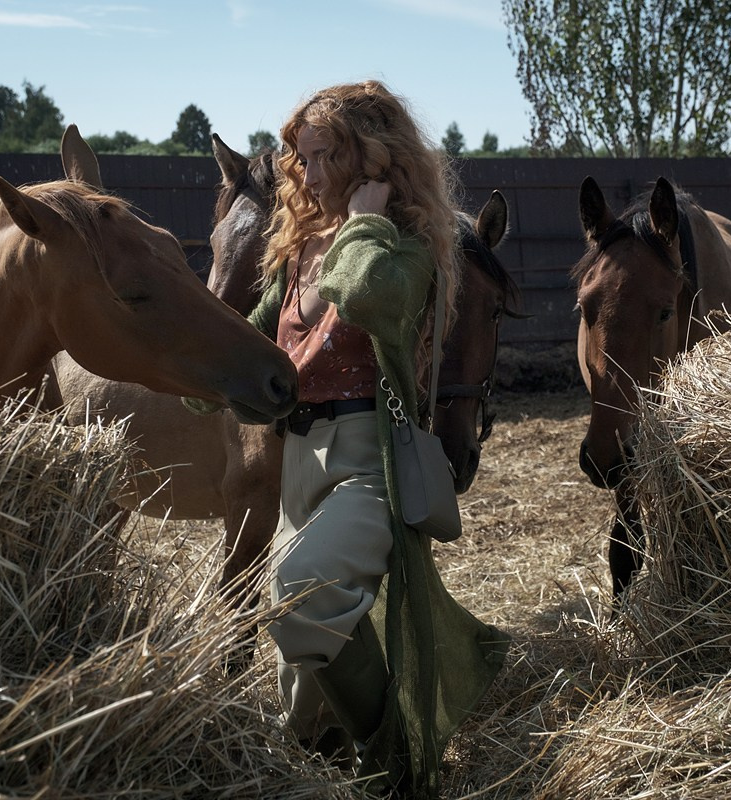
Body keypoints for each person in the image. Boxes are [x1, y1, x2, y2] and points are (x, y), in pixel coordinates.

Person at [187, 80, 508, 798]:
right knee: (300, 693)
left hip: (369, 463)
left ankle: (394, 764)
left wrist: (363, 224)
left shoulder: (408, 247)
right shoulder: (297, 252)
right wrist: (184, 360)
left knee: (297, 592)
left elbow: (369, 299)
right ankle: (353, 754)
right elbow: (250, 343)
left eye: (329, 154)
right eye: (304, 158)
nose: (312, 174)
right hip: (297, 462)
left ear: (375, 158)